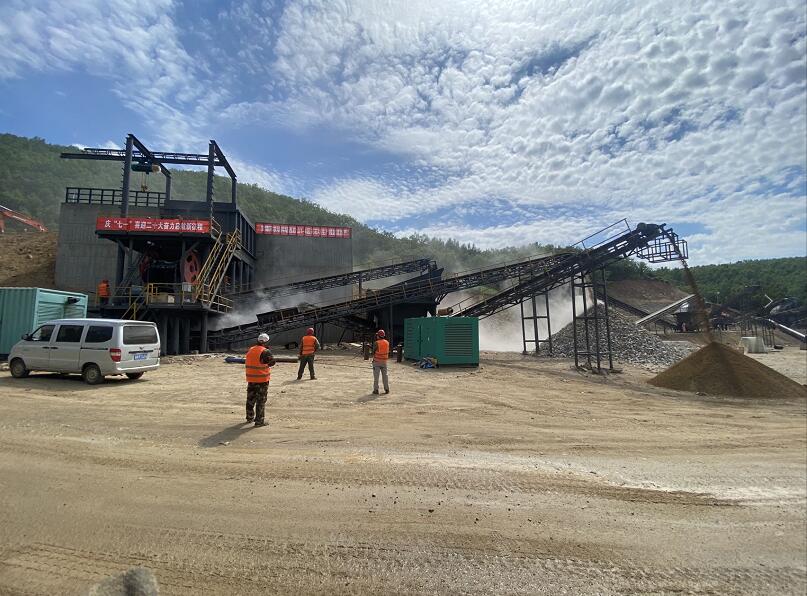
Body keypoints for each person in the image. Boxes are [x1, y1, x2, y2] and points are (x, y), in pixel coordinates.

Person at [245, 333, 276, 427]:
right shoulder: (265, 351)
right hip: (262, 379)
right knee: (261, 401)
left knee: (250, 399)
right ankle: (259, 421)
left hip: (251, 379)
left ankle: (249, 417)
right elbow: (272, 362)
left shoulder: (251, 349)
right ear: (266, 342)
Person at [371, 329, 390, 395]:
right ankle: (387, 389)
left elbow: (373, 352)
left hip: (377, 361)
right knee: (385, 376)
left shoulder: (377, 343)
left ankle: (376, 390)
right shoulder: (387, 342)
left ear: (378, 336)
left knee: (376, 377)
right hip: (384, 361)